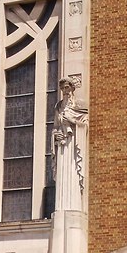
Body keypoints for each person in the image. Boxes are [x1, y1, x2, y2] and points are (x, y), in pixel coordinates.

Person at [52, 77, 88, 208]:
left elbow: (85, 125)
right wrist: (55, 135)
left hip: (74, 143)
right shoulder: (58, 107)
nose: (64, 91)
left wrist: (72, 121)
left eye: (67, 87)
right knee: (63, 174)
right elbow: (55, 127)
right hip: (62, 145)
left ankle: (74, 204)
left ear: (72, 88)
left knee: (73, 172)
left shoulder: (79, 105)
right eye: (62, 88)